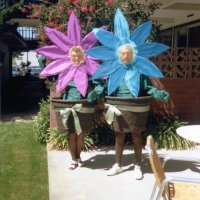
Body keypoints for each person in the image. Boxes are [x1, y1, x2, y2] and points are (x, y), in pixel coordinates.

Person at [106, 45, 170, 179]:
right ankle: (117, 164)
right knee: (119, 136)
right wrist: (97, 92)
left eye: (128, 54)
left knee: (136, 136)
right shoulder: (115, 71)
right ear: (119, 55)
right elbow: (108, 88)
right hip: (119, 107)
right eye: (123, 54)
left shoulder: (139, 71)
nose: (125, 56)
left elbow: (148, 88)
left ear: (133, 55)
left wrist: (158, 93)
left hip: (135, 108)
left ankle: (137, 165)